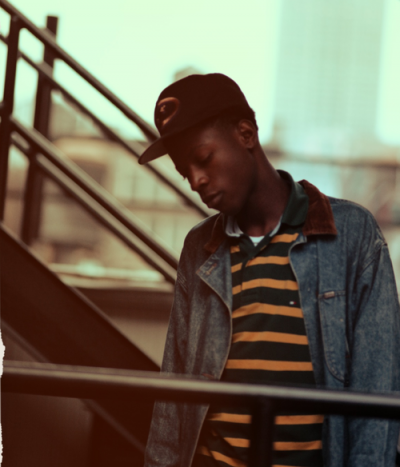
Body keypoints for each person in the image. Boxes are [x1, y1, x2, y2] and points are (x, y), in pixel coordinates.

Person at [139, 73, 400, 467]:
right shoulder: (199, 247)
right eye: (183, 171)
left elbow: (377, 391)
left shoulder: (351, 234)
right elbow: (174, 393)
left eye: (203, 158)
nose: (195, 180)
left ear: (246, 134)